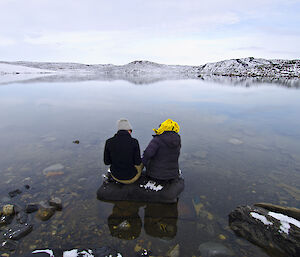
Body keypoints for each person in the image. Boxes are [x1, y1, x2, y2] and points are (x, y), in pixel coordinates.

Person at [104, 119, 143, 184]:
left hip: (115, 176)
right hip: (131, 177)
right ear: (128, 130)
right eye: (130, 130)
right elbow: (137, 162)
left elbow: (107, 162)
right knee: (142, 164)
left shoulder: (109, 142)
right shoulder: (134, 142)